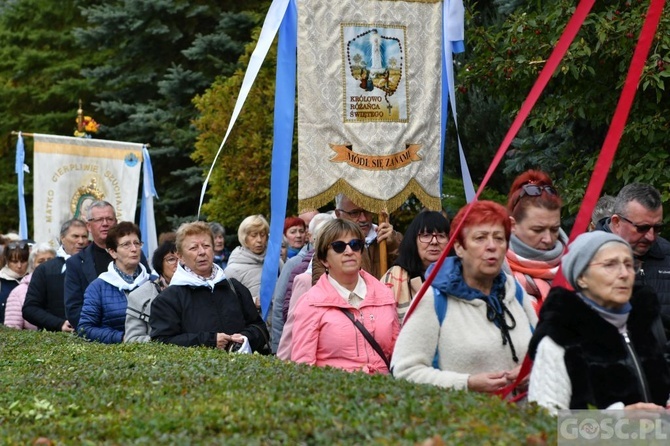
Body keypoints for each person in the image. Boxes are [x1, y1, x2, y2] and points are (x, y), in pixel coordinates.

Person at [392, 201, 537, 392]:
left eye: (499, 238)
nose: (492, 246)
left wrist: (533, 371)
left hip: (527, 419)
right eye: (480, 238)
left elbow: (543, 354)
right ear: (459, 247)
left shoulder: (515, 290)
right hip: (463, 419)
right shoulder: (434, 298)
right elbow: (404, 371)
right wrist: (466, 383)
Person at [528, 232, 670, 414]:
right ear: (581, 278)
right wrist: (618, 420)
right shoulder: (560, 339)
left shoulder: (646, 325)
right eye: (610, 265)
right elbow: (545, 425)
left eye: (629, 264)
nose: (624, 274)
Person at [290, 219, 400, 374]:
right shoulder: (311, 303)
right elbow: (302, 368)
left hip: (384, 392)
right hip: (336, 393)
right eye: (339, 246)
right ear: (324, 260)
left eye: (355, 245)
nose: (349, 251)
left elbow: (398, 355)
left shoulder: (385, 295)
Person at [150, 221, 269, 352]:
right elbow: (161, 343)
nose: (202, 252)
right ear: (181, 257)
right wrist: (209, 341)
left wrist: (245, 339)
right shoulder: (168, 299)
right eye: (194, 248)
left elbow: (260, 328)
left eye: (206, 246)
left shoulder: (234, 287)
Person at [65, 201, 148, 329]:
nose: (105, 224)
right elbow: (74, 309)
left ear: (115, 222)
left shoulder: (135, 255)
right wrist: (102, 333)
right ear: (88, 226)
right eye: (99, 220)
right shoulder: (76, 263)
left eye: (109, 219)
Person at [78, 222, 151, 344]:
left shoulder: (153, 282)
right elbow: (85, 329)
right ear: (113, 252)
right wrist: (122, 338)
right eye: (126, 244)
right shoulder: (98, 287)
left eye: (137, 243)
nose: (134, 249)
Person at [505, 170, 568, 313]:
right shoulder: (492, 270)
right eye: (537, 230)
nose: (548, 239)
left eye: (554, 229)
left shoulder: (575, 268)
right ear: (513, 225)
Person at [312, 194, 402, 282]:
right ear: (338, 214)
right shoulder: (326, 246)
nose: (363, 219)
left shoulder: (392, 239)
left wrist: (394, 245)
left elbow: (407, 273)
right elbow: (320, 289)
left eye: (367, 210)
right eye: (354, 213)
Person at [382, 211, 450, 324]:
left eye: (441, 236)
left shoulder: (459, 275)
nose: (434, 242)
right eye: (426, 235)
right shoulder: (395, 276)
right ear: (414, 241)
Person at [23, 219, 88, 332]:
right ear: (62, 238)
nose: (81, 241)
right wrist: (59, 324)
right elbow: (30, 309)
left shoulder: (94, 265)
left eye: (84, 236)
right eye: (75, 236)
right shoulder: (45, 270)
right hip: (54, 339)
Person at [124, 240, 178, 343]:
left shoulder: (199, 290)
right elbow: (132, 339)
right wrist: (169, 341)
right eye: (171, 259)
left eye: (182, 259)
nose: (178, 264)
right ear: (160, 265)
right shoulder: (139, 296)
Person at [4, 244, 56, 330]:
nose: (47, 264)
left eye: (50, 260)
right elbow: (12, 331)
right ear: (32, 265)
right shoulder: (18, 292)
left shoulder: (67, 285)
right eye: (41, 261)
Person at [224, 215, 272, 308]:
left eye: (262, 235)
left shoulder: (276, 262)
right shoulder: (232, 270)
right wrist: (253, 301)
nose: (259, 240)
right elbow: (226, 301)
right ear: (244, 237)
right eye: (253, 235)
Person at [0, 240, 30, 323]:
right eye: (14, 261)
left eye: (23, 261)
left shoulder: (33, 279)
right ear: (7, 261)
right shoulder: (1, 280)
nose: (19, 266)